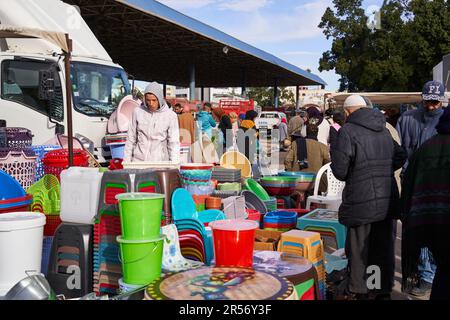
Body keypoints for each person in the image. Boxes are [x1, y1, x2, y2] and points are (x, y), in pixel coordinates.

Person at [331, 94, 407, 300]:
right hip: (386, 200)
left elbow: (340, 170)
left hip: (360, 201)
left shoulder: (347, 131)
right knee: (380, 249)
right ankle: (379, 291)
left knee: (359, 251)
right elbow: (401, 155)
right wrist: (382, 169)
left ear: (347, 112)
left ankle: (361, 292)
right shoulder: (382, 128)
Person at [395, 80, 445, 297]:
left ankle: (428, 275)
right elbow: (398, 150)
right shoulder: (407, 119)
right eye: (428, 101)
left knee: (429, 229)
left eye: (435, 102)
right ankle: (419, 269)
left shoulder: (445, 121)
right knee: (412, 229)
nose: (431, 106)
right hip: (410, 183)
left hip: (435, 185)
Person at [123, 82, 180, 163]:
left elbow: (173, 143)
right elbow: (130, 138)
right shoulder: (137, 112)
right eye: (148, 100)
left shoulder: (170, 116)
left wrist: (175, 165)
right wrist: (126, 162)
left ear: (160, 99)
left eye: (154, 100)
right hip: (138, 162)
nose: (151, 103)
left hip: (159, 163)